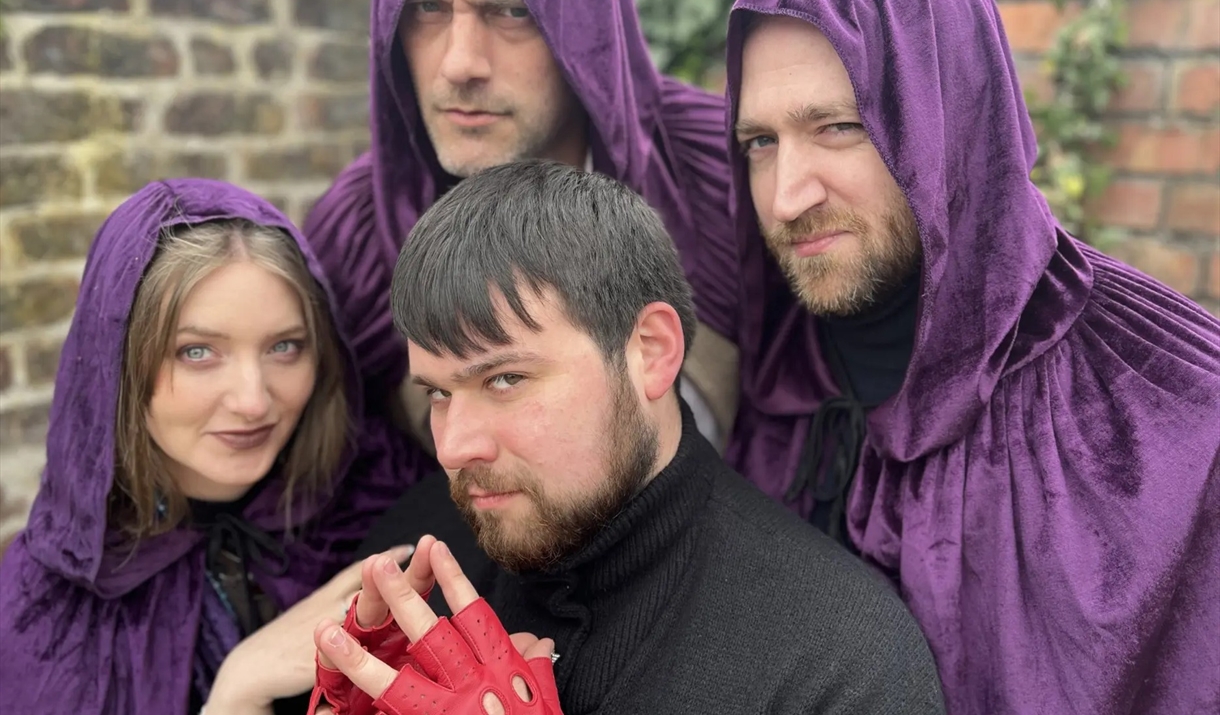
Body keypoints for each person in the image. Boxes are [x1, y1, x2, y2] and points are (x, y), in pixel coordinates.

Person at [723, 2, 1220, 713]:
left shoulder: (1171, 414)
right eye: (760, 142)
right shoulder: (772, 372)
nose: (786, 197)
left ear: (949, 114)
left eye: (838, 127)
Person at [310, 161, 947, 714]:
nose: (453, 447)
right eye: (439, 393)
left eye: (505, 378)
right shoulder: (411, 572)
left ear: (649, 352)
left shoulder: (837, 659)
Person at [0, 179, 429, 715]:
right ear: (118, 363)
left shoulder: (384, 500)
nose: (253, 401)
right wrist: (236, 693)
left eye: (285, 346)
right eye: (197, 351)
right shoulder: (45, 608)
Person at [304, 0, 741, 458]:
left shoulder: (723, 165)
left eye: (512, 11)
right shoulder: (357, 233)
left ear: (585, 29)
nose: (460, 64)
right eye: (429, 7)